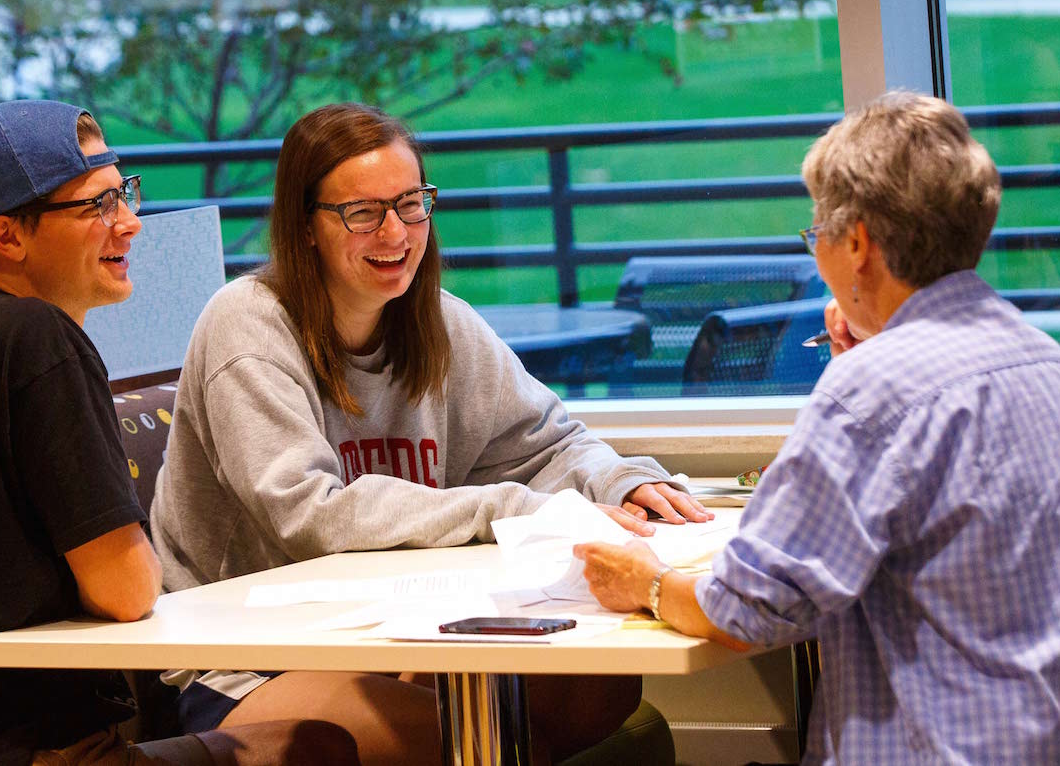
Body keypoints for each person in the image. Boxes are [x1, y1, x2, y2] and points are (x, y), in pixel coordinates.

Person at [574, 92, 1060, 765]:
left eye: (818, 235)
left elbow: (749, 608)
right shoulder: (1041, 357)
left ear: (858, 243)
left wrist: (643, 579)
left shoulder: (873, 390)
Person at [151, 102, 707, 766]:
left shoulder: (438, 319)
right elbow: (307, 514)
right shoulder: (248, 324)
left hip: (399, 637)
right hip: (251, 662)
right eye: (363, 211)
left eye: (411, 203)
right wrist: (514, 508)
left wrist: (622, 478)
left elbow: (547, 444)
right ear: (306, 226)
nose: (396, 230)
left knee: (598, 687)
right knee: (479, 739)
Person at [0, 101, 358, 766]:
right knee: (319, 744)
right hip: (27, 750)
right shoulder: (41, 338)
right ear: (7, 235)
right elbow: (126, 589)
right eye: (98, 205)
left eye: (126, 193)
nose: (131, 222)